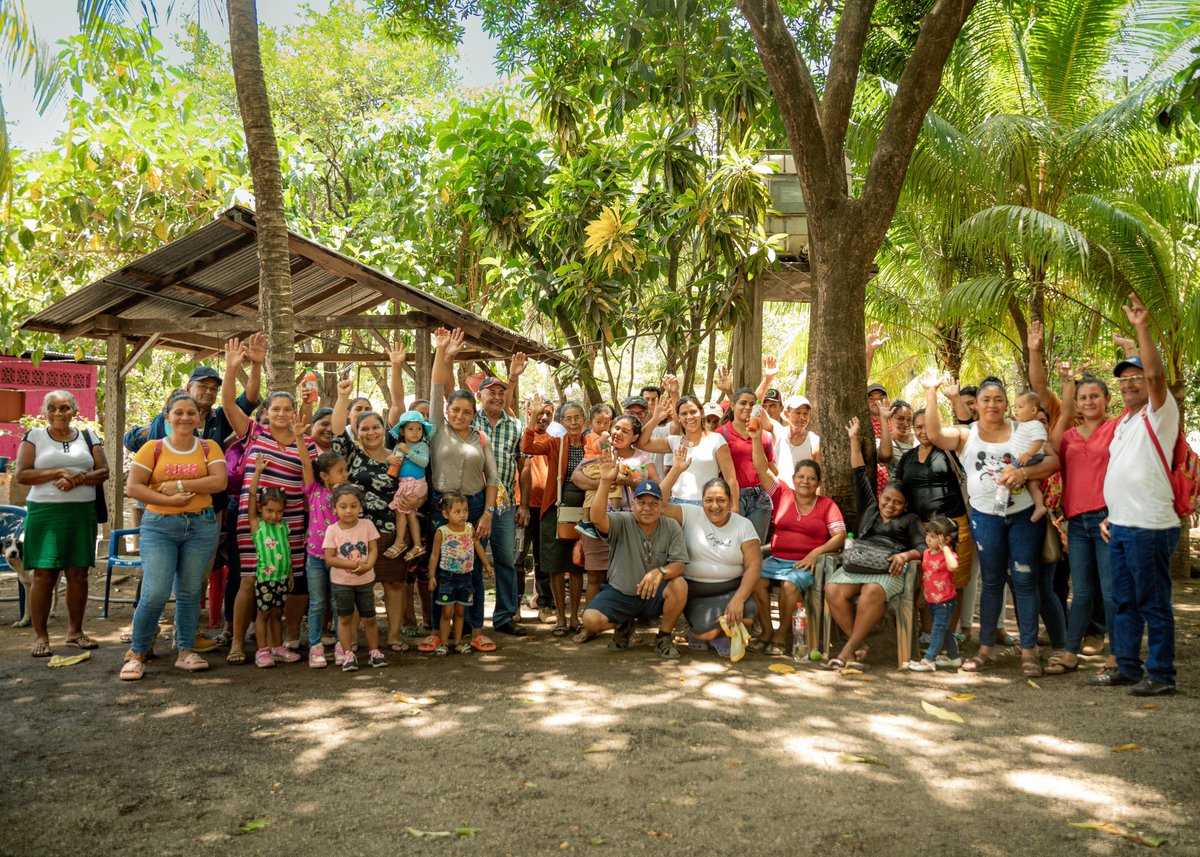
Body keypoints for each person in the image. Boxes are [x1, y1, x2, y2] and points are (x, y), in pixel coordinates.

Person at [921, 370, 1062, 677]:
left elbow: (1053, 462)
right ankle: (986, 648)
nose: (992, 405)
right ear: (977, 405)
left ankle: (1028, 651)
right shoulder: (965, 434)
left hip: (1024, 516)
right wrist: (931, 392)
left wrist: (1024, 474)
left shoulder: (1023, 429)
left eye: (999, 399)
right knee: (992, 581)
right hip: (985, 518)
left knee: (1025, 581)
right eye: (986, 399)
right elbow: (934, 434)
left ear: (1007, 404)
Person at [1093, 294, 1181, 696]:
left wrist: (1141, 330)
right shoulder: (1126, 422)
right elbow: (1125, 472)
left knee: (1152, 603)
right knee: (1124, 602)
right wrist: (1113, 513)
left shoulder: (1160, 413)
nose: (1129, 384)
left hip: (1149, 527)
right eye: (1123, 379)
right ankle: (1127, 666)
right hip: (1124, 525)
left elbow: (1158, 376)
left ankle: (1161, 674)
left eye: (1136, 378)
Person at [223, 339, 318, 663]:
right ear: (266, 413)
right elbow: (228, 406)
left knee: (279, 581)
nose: (281, 413)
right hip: (253, 520)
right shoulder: (253, 434)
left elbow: (311, 480)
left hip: (290, 523)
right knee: (249, 580)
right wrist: (234, 366)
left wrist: (303, 437)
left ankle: (274, 644)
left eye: (287, 409)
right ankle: (238, 643)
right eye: (275, 409)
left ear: (294, 413)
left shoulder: (306, 444)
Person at [121, 393, 226, 680]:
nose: (184, 418)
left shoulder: (208, 447)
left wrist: (179, 483)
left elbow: (219, 481)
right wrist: (170, 501)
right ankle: (137, 652)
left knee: (191, 592)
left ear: (198, 418)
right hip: (159, 526)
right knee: (155, 591)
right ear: (167, 417)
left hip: (201, 526)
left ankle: (185, 650)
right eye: (177, 412)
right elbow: (134, 488)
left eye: (190, 413)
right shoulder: (153, 449)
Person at [822, 417, 925, 671]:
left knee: (871, 591)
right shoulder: (870, 508)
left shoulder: (911, 520)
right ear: (881, 497)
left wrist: (906, 556)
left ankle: (847, 651)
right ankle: (860, 645)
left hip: (889, 569)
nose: (890, 505)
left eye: (897, 503)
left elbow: (923, 548)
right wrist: (854, 438)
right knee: (832, 589)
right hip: (860, 563)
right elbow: (859, 473)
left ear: (905, 506)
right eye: (887, 499)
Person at [421, 328, 501, 654]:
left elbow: (493, 478)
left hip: (474, 504)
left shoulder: (481, 438)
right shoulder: (436, 429)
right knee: (440, 568)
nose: (460, 416)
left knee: (474, 569)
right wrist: (442, 350)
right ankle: (438, 632)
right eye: (455, 410)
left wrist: (488, 514)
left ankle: (476, 631)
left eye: (467, 412)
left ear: (474, 414)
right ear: (447, 411)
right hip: (440, 505)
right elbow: (437, 385)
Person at [15, 390, 109, 657]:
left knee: (78, 573)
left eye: (65, 408)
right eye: (53, 408)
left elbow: (103, 471)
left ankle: (75, 632)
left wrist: (77, 479)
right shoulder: (33, 436)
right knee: (45, 575)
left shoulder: (88, 436)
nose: (59, 413)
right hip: (45, 513)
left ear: (74, 411)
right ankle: (41, 636)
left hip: (81, 513)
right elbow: (22, 474)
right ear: (45, 412)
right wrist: (58, 471)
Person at [1043, 364, 1118, 678]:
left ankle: (1118, 654)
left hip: (1107, 519)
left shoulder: (1117, 428)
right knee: (1083, 592)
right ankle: (1071, 652)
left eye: (1095, 396)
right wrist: (1066, 383)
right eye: (1083, 397)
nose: (1088, 402)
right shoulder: (1069, 436)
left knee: (1111, 591)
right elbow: (1055, 440)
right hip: (1076, 521)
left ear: (1107, 399)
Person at [748, 423, 845, 654]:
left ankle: (781, 635)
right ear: (794, 478)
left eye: (812, 478)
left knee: (790, 584)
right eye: (801, 476)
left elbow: (839, 536)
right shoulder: (782, 494)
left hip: (805, 564)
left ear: (818, 483)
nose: (805, 481)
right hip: (776, 559)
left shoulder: (826, 505)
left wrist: (816, 553)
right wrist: (754, 438)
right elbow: (762, 469)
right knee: (753, 579)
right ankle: (768, 631)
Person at [329, 377, 408, 654]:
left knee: (395, 582)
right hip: (356, 530)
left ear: (383, 429)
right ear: (357, 431)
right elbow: (337, 433)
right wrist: (342, 397)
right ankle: (349, 642)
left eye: (376, 427)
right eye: (364, 428)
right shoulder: (352, 455)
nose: (371, 432)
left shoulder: (399, 455)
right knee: (354, 587)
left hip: (390, 529)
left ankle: (394, 636)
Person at [580, 460, 689, 659]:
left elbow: (679, 565)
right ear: (633, 504)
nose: (647, 508)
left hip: (654, 595)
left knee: (679, 584)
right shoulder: (622, 521)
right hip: (620, 593)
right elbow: (597, 518)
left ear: (662, 505)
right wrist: (605, 481)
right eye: (642, 503)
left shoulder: (671, 526)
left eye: (653, 503)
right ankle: (623, 625)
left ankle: (664, 637)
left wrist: (660, 572)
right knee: (590, 620)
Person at [658, 451, 761, 658]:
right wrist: (676, 470)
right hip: (697, 593)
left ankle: (720, 633)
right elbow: (658, 505)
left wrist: (739, 599)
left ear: (731, 501)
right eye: (709, 500)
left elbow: (754, 566)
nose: (715, 506)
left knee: (747, 616)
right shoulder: (690, 513)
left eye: (721, 500)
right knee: (707, 632)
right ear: (701, 501)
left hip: (731, 589)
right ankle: (701, 634)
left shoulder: (744, 525)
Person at [571, 413, 658, 641]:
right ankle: (588, 627)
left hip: (630, 525)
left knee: (628, 578)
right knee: (595, 574)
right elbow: (576, 477)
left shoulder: (643, 457)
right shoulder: (602, 451)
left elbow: (656, 487)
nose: (618, 433)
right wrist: (605, 482)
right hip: (597, 521)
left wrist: (629, 481)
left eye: (625, 431)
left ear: (635, 437)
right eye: (616, 428)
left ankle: (626, 627)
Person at [893, 407, 976, 633]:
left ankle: (949, 634)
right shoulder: (908, 458)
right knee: (925, 580)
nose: (923, 431)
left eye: (927, 426)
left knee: (954, 581)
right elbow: (899, 489)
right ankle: (929, 633)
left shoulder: (950, 452)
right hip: (920, 530)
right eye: (918, 427)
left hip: (953, 527)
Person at [470, 354, 527, 637]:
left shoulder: (516, 426)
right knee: (470, 561)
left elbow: (522, 467)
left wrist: (524, 504)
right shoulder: (469, 422)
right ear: (479, 396)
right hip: (472, 501)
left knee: (505, 560)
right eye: (491, 392)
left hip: (505, 505)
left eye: (501, 393)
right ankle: (471, 619)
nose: (496, 396)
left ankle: (505, 617)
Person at [522, 399, 588, 634]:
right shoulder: (555, 443)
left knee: (578, 564)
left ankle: (574, 618)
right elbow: (527, 447)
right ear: (561, 422)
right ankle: (560, 617)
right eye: (568, 419)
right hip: (555, 508)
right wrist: (534, 415)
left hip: (584, 509)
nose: (573, 423)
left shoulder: (592, 443)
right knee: (556, 564)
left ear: (584, 420)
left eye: (577, 418)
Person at [323, 484, 385, 672]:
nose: (348, 510)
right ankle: (348, 653)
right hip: (342, 583)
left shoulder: (367, 525)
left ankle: (374, 651)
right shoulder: (333, 530)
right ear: (334, 508)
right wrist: (354, 566)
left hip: (365, 581)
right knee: (344, 618)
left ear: (360, 506)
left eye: (353, 505)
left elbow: (374, 549)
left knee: (370, 617)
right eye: (343, 506)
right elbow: (330, 558)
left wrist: (368, 565)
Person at [298, 445, 348, 669]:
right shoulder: (314, 491)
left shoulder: (346, 496)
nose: (345, 474)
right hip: (316, 557)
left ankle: (342, 644)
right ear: (324, 475)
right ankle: (315, 645)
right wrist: (299, 437)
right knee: (317, 602)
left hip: (339, 558)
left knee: (338, 603)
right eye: (340, 471)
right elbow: (306, 464)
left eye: (345, 470)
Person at [638, 395, 738, 507]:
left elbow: (730, 479)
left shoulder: (717, 440)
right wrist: (655, 419)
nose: (689, 417)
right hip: (677, 504)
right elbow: (641, 443)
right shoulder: (673, 441)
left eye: (693, 412)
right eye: (684, 414)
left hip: (706, 506)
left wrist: (734, 508)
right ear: (679, 418)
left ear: (701, 413)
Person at [428, 492, 494, 655]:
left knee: (460, 611)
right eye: (457, 512)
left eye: (465, 510)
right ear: (445, 514)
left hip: (466, 577)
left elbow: (477, 546)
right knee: (447, 612)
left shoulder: (470, 528)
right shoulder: (441, 532)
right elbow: (434, 555)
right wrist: (431, 576)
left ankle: (457, 642)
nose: (462, 515)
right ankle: (443, 642)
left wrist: (486, 564)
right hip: (446, 578)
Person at [247, 460, 295, 669]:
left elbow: (286, 552)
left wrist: (291, 574)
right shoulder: (257, 524)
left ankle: (277, 647)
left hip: (283, 578)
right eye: (269, 511)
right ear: (260, 508)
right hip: (265, 579)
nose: (274, 515)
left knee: (277, 613)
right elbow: (251, 495)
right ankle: (262, 650)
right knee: (264, 613)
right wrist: (257, 472)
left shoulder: (284, 527)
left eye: (278, 512)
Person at [719, 387, 775, 541]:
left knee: (755, 547)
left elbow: (771, 469)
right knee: (732, 546)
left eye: (752, 404)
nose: (748, 408)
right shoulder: (720, 434)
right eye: (743, 403)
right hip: (732, 497)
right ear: (732, 405)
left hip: (760, 498)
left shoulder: (765, 437)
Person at [908, 516, 961, 671]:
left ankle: (929, 659)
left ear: (946, 539)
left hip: (945, 601)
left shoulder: (949, 555)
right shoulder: (926, 553)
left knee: (937, 630)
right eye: (927, 535)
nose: (928, 539)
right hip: (932, 600)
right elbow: (927, 575)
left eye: (933, 537)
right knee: (944, 630)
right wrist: (922, 594)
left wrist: (945, 548)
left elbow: (953, 567)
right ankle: (954, 657)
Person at [518, 402, 555, 621]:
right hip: (521, 508)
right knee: (517, 558)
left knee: (544, 558)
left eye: (548, 414)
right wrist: (522, 505)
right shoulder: (521, 436)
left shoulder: (553, 441)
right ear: (529, 414)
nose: (543, 417)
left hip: (545, 509)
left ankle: (545, 604)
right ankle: (513, 605)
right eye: (538, 413)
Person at [385, 411, 433, 561]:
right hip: (404, 484)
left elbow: (424, 462)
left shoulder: (422, 446)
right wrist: (390, 460)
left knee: (402, 510)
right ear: (402, 431)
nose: (415, 432)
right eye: (411, 429)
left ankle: (400, 542)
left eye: (419, 429)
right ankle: (416, 545)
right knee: (408, 513)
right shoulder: (399, 446)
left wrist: (408, 452)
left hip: (416, 484)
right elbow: (392, 461)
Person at [1009, 391, 1049, 522]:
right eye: (1015, 407)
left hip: (1030, 457)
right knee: (1031, 484)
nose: (1016, 410)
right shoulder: (1025, 424)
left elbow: (1040, 440)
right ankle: (1039, 506)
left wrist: (1028, 454)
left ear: (1033, 410)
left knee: (1007, 473)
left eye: (1020, 407)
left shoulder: (1035, 424)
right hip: (1025, 457)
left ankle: (1003, 500)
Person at [773, 395, 820, 485]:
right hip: (779, 495)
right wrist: (767, 381)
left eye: (805, 414)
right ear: (786, 414)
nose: (802, 418)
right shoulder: (778, 432)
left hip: (802, 496)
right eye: (798, 413)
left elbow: (818, 477)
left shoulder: (814, 442)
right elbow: (756, 408)